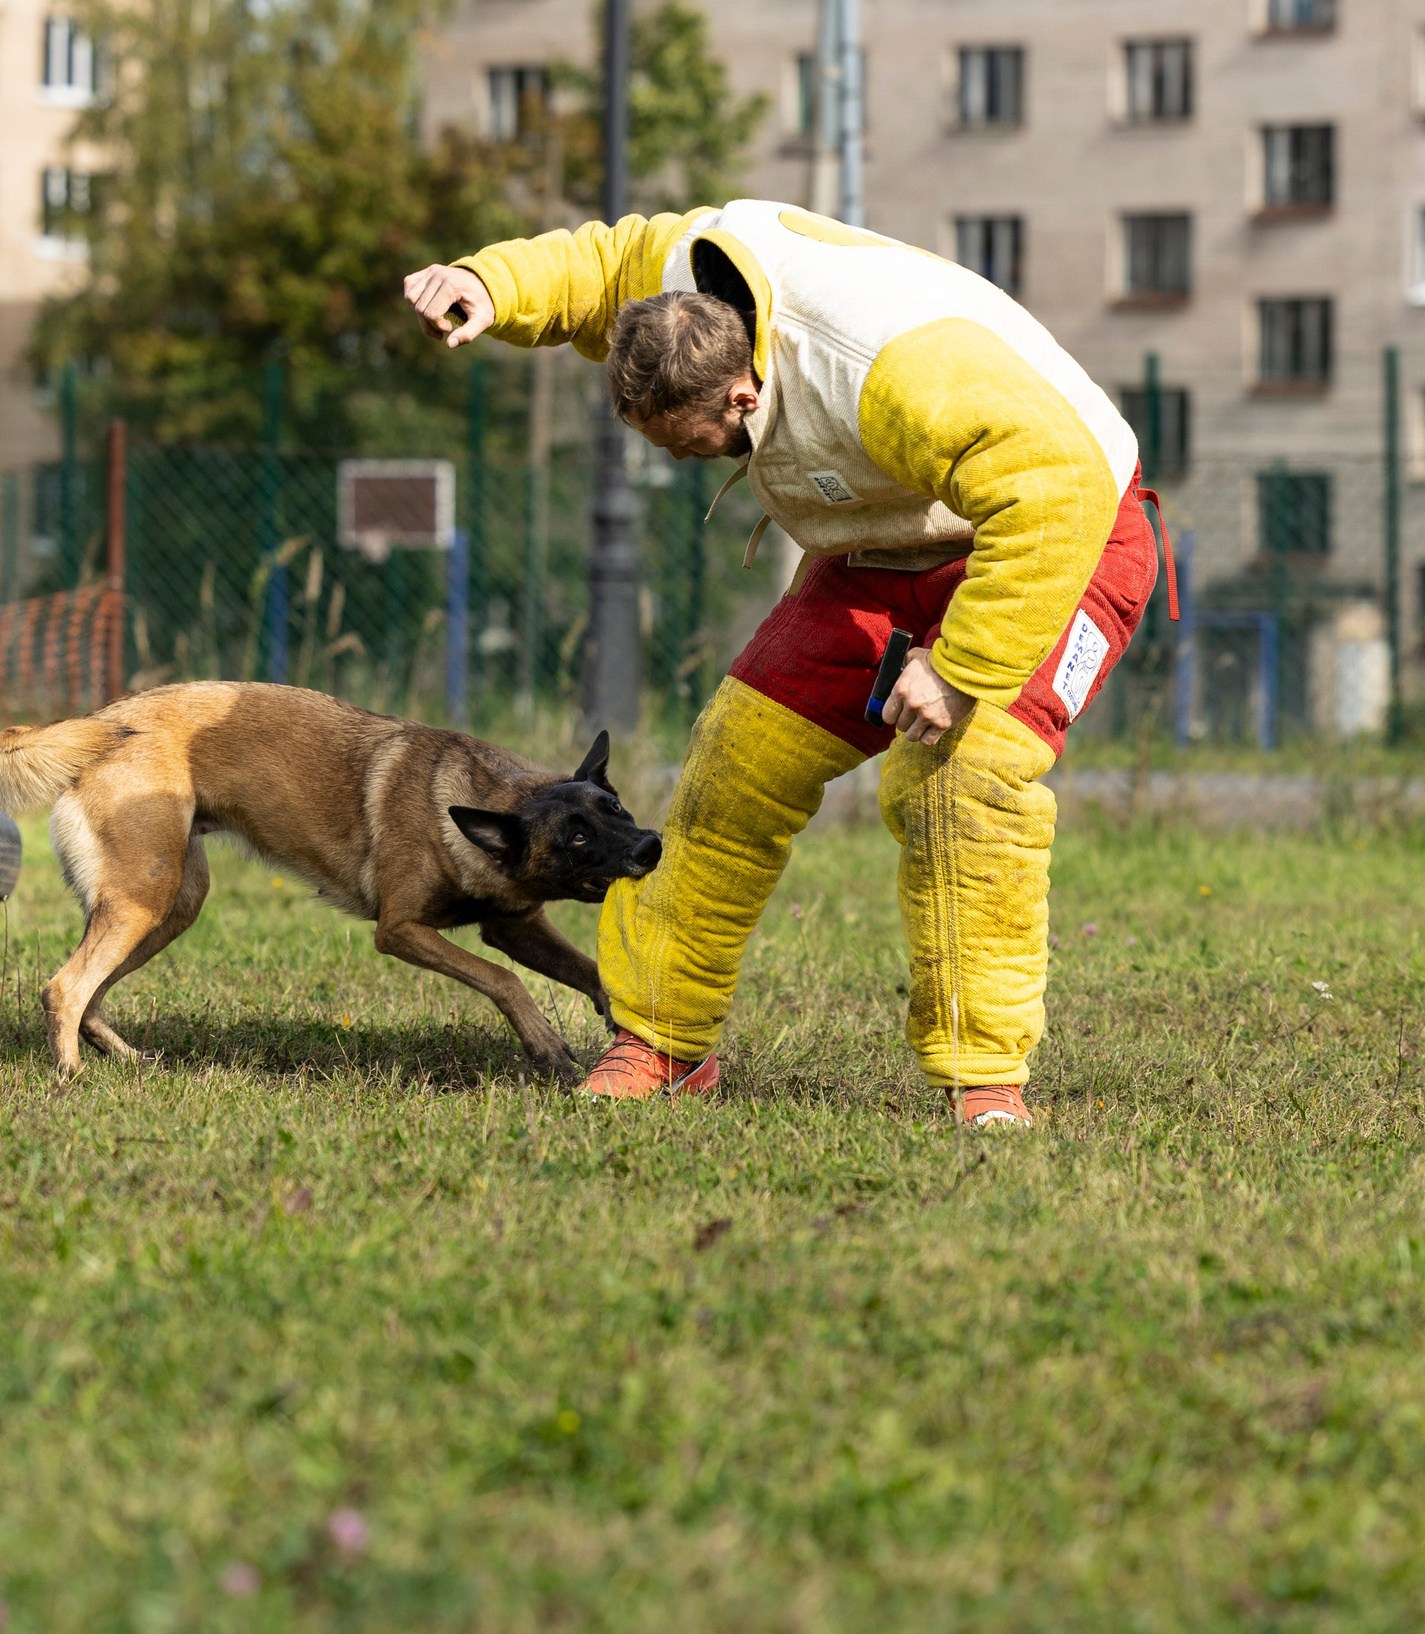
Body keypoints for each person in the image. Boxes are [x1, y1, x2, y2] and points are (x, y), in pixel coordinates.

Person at [403, 200, 1166, 1127]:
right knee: (734, 766)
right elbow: (604, 266)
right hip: (887, 548)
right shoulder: (694, 278)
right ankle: (661, 1041)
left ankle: (985, 1081)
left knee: (955, 780)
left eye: (683, 441)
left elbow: (1055, 489)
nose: (674, 459)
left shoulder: (894, 374)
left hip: (1063, 537)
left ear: (743, 395)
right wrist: (489, 282)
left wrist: (960, 668)